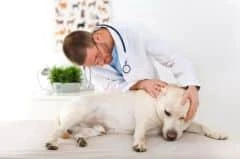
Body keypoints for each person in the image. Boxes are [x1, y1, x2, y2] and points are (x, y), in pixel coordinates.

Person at [62, 23, 200, 121]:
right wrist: (140, 84)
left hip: (154, 106)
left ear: (98, 37)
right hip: (124, 119)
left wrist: (191, 85)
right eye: (94, 64)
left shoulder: (133, 33)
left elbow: (172, 57)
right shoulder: (91, 71)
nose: (101, 64)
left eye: (97, 57)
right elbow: (111, 91)